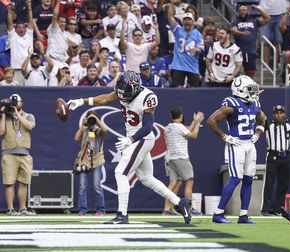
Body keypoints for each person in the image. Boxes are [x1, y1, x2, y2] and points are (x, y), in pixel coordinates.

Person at [67, 70, 192, 224]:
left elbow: (148, 127)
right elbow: (106, 98)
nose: (121, 97)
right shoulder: (123, 89)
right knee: (147, 178)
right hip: (134, 139)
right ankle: (180, 203)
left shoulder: (148, 97)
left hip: (142, 138)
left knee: (120, 172)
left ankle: (122, 215)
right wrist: (82, 101)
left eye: (124, 93)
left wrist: (130, 140)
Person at [207, 75, 266, 224]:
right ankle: (218, 213)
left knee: (248, 179)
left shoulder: (255, 103)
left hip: (250, 145)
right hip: (237, 144)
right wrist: (225, 137)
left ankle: (243, 215)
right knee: (235, 178)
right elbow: (211, 121)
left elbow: (263, 120)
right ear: (240, 90)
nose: (253, 92)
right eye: (250, 89)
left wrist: (257, 134)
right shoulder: (231, 103)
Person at [260, 86, 290, 216]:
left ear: (284, 114)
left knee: (283, 185)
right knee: (269, 184)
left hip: (285, 157)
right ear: (273, 115)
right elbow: (259, 113)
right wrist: (255, 98)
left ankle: (277, 209)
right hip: (272, 156)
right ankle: (265, 209)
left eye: (281, 112)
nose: (279, 114)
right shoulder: (268, 125)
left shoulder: (289, 124)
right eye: (276, 113)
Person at [164, 106, 204, 215]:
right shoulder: (180, 127)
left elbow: (185, 130)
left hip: (170, 158)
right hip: (181, 158)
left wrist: (194, 122)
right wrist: (198, 123)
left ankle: (168, 209)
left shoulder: (168, 127)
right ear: (181, 117)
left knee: (174, 183)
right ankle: (189, 208)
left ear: (171, 116)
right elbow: (193, 135)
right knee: (189, 181)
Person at [0, 94, 36, 216]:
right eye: (13, 102)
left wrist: (17, 114)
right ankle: (10, 209)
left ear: (22, 102)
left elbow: (30, 126)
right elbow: (1, 132)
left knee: (23, 183)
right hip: (9, 153)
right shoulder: (5, 116)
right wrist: (3, 114)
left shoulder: (29, 116)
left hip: (25, 153)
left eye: (17, 102)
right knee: (9, 183)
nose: (15, 104)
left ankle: (23, 209)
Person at [74, 110, 107, 216]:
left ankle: (101, 210)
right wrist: (83, 125)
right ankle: (82, 209)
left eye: (93, 118)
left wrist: (96, 120)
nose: (91, 120)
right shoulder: (84, 130)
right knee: (82, 187)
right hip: (84, 160)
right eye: (89, 118)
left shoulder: (98, 130)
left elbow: (105, 130)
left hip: (96, 160)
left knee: (97, 186)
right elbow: (76, 138)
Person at [167, 4, 204, 87]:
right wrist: (170, 4)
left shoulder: (198, 34)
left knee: (194, 91)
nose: (187, 21)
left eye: (189, 19)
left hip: (192, 66)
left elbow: (201, 49)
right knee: (178, 90)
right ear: (183, 21)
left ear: (193, 21)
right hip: (178, 66)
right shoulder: (178, 30)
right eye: (185, 19)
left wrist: (196, 50)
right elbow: (169, 17)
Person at [231, 4, 270, 77]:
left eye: (244, 10)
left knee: (250, 74)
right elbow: (233, 31)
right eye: (240, 11)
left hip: (250, 52)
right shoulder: (236, 22)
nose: (242, 12)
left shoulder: (254, 21)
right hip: (239, 52)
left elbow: (267, 18)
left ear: (247, 12)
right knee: (236, 73)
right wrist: (242, 33)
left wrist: (258, 8)